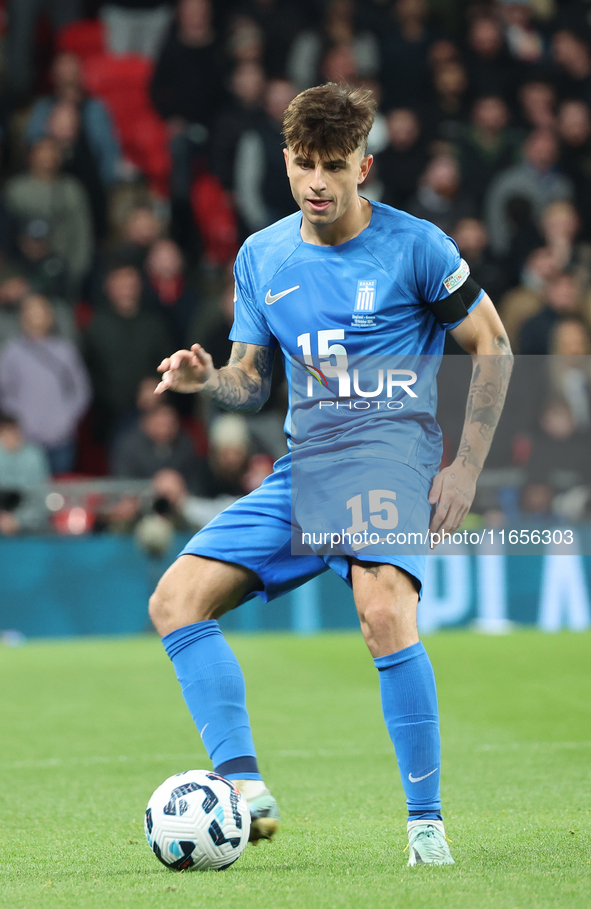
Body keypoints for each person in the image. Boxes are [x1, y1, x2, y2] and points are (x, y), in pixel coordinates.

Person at [149, 84, 513, 865]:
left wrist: (464, 469)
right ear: (285, 160)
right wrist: (205, 378)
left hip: (390, 454)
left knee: (381, 611)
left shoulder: (416, 246)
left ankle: (425, 826)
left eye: (333, 166)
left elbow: (493, 345)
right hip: (303, 466)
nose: (316, 182)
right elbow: (252, 380)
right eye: (303, 164)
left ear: (364, 166)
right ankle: (243, 793)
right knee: (175, 600)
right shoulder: (262, 255)